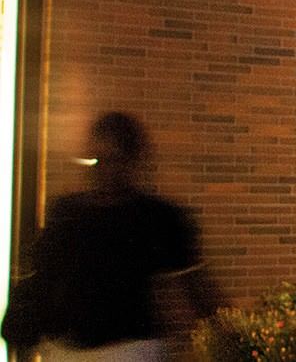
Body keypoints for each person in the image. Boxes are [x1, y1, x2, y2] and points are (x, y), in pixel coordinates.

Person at [1, 112, 222, 362]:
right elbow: (42, 276)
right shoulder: (68, 213)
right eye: (98, 160)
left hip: (126, 350)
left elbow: (197, 287)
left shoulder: (156, 217)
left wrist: (231, 335)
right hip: (72, 349)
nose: (104, 170)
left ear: (132, 161)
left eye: (113, 160)